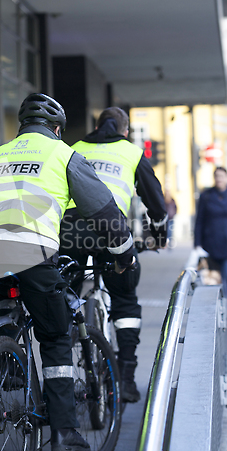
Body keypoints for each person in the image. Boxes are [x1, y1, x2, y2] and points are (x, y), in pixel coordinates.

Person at [0, 94, 135, 451]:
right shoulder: (62, 154)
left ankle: (8, 354)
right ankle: (65, 434)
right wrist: (125, 254)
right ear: (57, 129)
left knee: (12, 290)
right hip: (31, 250)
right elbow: (105, 211)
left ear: (22, 127)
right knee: (56, 335)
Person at [59, 106, 167, 404]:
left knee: (66, 295)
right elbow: (154, 201)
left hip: (69, 231)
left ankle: (63, 373)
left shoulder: (74, 148)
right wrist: (158, 235)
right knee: (124, 299)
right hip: (111, 231)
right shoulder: (132, 152)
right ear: (126, 130)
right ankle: (127, 380)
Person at [194, 166, 227, 298]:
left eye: (221, 176)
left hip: (226, 246)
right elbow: (199, 220)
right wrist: (197, 244)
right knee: (213, 282)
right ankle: (219, 310)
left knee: (226, 277)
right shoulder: (206, 196)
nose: (219, 179)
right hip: (210, 246)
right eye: (217, 176)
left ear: (225, 178)